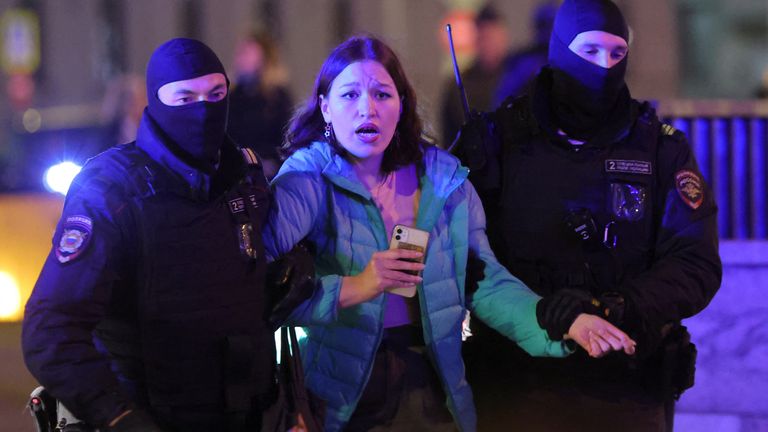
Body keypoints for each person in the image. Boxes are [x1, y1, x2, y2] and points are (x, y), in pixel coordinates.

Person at [262, 35, 635, 432]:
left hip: (432, 385)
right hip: (337, 397)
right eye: (350, 95)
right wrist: (359, 285)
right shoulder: (306, 179)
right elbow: (260, 287)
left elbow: (485, 281)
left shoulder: (443, 180)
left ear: (401, 104)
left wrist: (561, 323)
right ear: (325, 107)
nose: (366, 109)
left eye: (382, 95)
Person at [453, 1, 722, 431]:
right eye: (590, 51)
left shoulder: (658, 148)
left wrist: (615, 307)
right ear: (560, 50)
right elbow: (462, 255)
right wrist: (540, 311)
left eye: (617, 54)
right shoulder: (497, 140)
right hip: (516, 385)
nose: (604, 66)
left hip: (626, 385)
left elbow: (695, 263)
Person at [22, 38, 279, 431]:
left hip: (249, 415)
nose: (203, 110)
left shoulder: (244, 178)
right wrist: (119, 416)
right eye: (184, 97)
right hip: (153, 415)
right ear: (156, 102)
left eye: (216, 93)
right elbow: (51, 330)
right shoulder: (111, 190)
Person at [440, 4, 510, 147]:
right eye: (485, 38)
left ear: (504, 37)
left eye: (493, 37)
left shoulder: (519, 75)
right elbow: (450, 138)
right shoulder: (459, 86)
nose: (489, 44)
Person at [227, 32, 293, 180]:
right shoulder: (231, 95)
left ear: (264, 58)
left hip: (268, 170)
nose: (241, 58)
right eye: (241, 52)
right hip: (236, 169)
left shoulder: (276, 97)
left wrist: (270, 161)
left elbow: (284, 137)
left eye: (248, 52)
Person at [492, 1, 556, 107]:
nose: (546, 31)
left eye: (550, 25)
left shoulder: (563, 60)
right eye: (543, 25)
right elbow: (503, 95)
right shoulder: (524, 61)